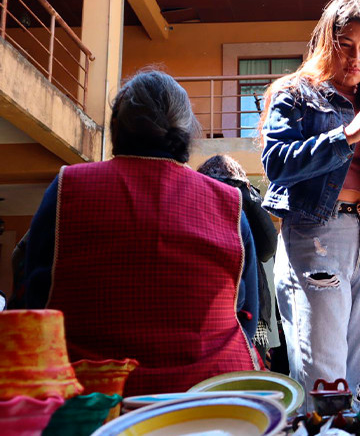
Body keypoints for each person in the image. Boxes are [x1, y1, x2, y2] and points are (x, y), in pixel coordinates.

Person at [23, 70, 260, 395]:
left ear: (118, 125)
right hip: (210, 403)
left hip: (89, 403)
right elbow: (247, 314)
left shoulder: (68, 189)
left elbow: (33, 297)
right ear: (186, 131)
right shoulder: (230, 205)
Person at [259, 0, 360, 416]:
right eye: (345, 46)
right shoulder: (295, 92)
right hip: (317, 232)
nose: (356, 57)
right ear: (324, 44)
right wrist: (344, 135)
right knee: (322, 363)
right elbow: (275, 162)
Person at [197, 154, 279, 367]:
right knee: (247, 376)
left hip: (208, 305)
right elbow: (268, 249)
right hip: (248, 305)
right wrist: (246, 192)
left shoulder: (195, 195)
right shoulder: (245, 196)